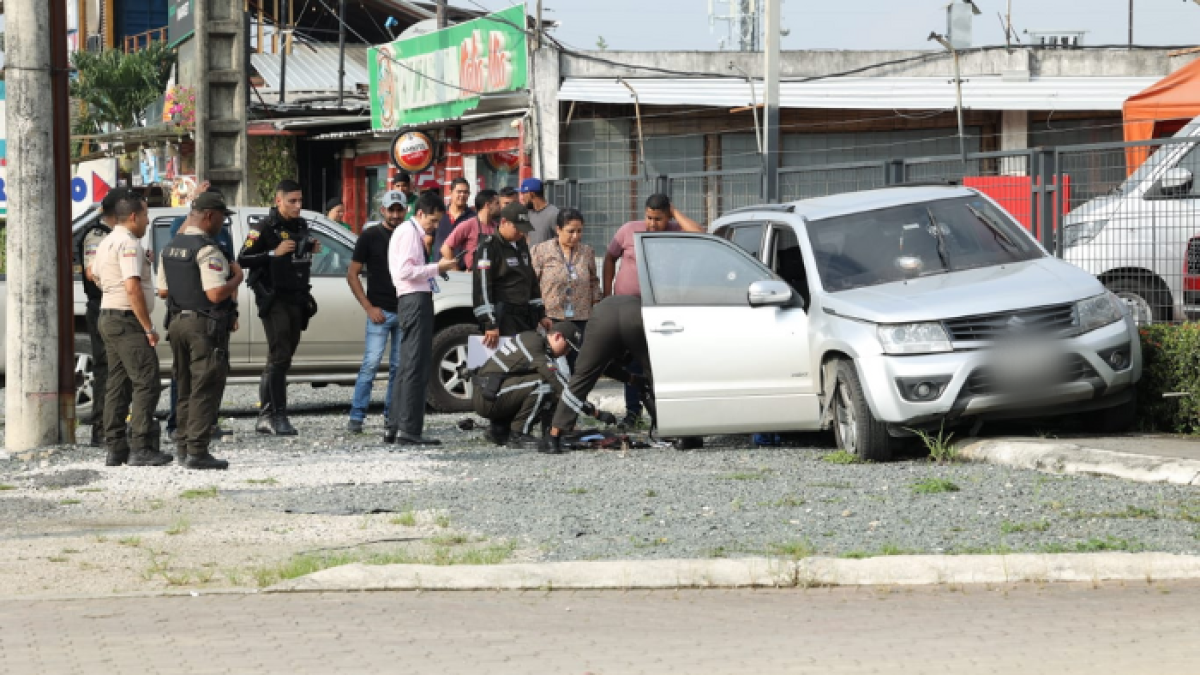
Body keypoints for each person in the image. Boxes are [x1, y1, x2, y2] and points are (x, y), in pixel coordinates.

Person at [157, 192, 243, 470]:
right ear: (209, 216)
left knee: (183, 386)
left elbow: (163, 290)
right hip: (203, 326)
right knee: (206, 385)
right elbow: (216, 292)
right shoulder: (207, 249)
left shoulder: (170, 247)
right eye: (220, 217)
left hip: (177, 322)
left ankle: (183, 446)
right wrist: (237, 279)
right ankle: (197, 451)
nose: (222, 224)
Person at [602, 193, 702, 428]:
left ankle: (660, 414)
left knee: (657, 361)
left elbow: (701, 234)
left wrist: (674, 212)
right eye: (649, 217)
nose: (652, 224)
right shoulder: (629, 230)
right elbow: (609, 258)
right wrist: (607, 295)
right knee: (631, 362)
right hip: (627, 305)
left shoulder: (676, 230)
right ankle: (632, 413)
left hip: (659, 307)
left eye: (658, 219)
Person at [90, 192, 173, 467]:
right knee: (147, 380)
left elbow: (93, 272)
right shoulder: (128, 243)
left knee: (117, 381)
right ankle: (141, 446)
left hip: (108, 315)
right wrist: (148, 327)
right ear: (134, 216)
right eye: (147, 215)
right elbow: (132, 287)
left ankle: (115, 447)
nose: (148, 221)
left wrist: (111, 289)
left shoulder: (106, 241)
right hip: (127, 320)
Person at [237, 179, 322, 436]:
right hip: (273, 299)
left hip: (297, 296)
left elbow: (299, 254)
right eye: (292, 201)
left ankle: (266, 414)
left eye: (300, 201)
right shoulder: (263, 227)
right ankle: (278, 415)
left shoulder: (301, 224)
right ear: (278, 200)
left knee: (281, 357)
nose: (297, 206)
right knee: (280, 355)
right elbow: (243, 258)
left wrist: (310, 247)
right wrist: (274, 253)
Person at [384, 192, 458, 445]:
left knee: (408, 364)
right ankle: (409, 429)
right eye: (433, 221)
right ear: (420, 214)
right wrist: (439, 267)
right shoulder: (408, 232)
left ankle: (395, 425)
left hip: (412, 299)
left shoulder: (409, 231)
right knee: (415, 365)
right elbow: (405, 271)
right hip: (414, 299)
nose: (434, 227)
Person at [544, 295, 652, 455]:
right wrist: (640, 378)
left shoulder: (603, 327)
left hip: (603, 316)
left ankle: (554, 438)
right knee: (655, 374)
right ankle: (678, 431)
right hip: (635, 314)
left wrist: (632, 379)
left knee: (580, 379)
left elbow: (598, 367)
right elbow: (609, 367)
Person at [345, 191, 407, 434]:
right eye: (390, 210)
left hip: (404, 310)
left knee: (399, 367)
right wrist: (368, 307)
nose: (394, 215)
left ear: (405, 210)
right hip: (380, 311)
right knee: (370, 365)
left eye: (399, 210)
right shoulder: (370, 236)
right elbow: (352, 274)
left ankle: (391, 417)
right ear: (382, 210)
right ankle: (356, 417)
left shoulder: (410, 235)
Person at [471, 323, 581, 450]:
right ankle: (518, 435)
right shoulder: (535, 346)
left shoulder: (532, 338)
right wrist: (590, 410)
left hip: (491, 393)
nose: (566, 353)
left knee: (544, 385)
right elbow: (556, 381)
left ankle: (500, 429)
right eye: (567, 347)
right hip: (488, 398)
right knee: (544, 384)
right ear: (557, 337)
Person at [79, 187, 129, 446]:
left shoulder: (113, 236)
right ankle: (101, 428)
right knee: (105, 369)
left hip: (111, 304)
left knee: (118, 369)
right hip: (102, 304)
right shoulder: (97, 235)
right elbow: (91, 272)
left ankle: (114, 425)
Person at [530, 208, 601, 371]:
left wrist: (596, 304)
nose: (575, 236)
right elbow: (532, 283)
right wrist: (536, 314)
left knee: (578, 363)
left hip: (580, 318)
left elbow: (593, 281)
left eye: (579, 231)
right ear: (558, 229)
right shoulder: (541, 251)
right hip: (551, 318)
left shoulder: (587, 252)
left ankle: (575, 395)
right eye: (570, 231)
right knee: (554, 364)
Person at [473, 202, 550, 349]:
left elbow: (530, 279)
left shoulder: (521, 244)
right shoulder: (489, 247)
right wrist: (490, 323)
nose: (521, 233)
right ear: (503, 222)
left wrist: (541, 314)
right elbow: (482, 287)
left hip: (524, 315)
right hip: (503, 316)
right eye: (517, 228)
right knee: (507, 362)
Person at [439, 189, 498, 270]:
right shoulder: (468, 225)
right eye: (497, 203)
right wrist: (457, 272)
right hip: (473, 276)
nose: (500, 206)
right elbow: (445, 248)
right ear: (487, 205)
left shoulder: (497, 227)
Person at [430, 177, 475, 260]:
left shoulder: (473, 218)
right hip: (439, 268)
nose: (462, 195)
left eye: (465, 192)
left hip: (462, 270)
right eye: (459, 192)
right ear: (450, 193)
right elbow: (428, 241)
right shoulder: (439, 215)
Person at [519, 178, 560, 247]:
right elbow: (522, 235)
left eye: (523, 193)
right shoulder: (525, 213)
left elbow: (563, 239)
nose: (522, 198)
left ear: (531, 194)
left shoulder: (554, 214)